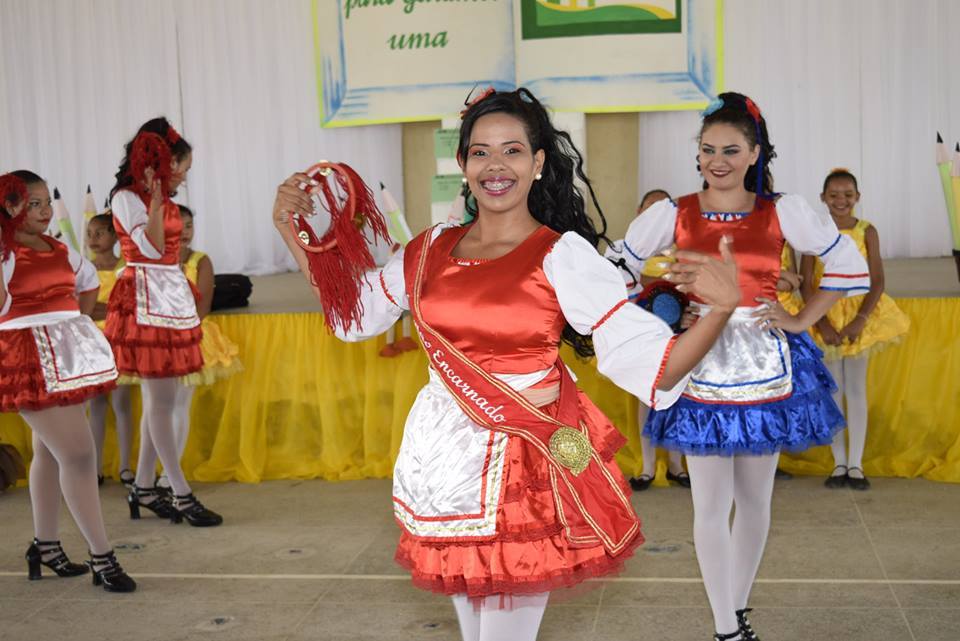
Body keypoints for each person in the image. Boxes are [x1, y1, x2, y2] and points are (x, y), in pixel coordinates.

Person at [272, 87, 742, 641]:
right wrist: (292, 230)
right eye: (481, 152)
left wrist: (720, 310)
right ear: (463, 163)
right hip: (443, 462)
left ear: (538, 163)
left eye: (512, 151)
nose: (495, 165)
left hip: (527, 463)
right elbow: (354, 315)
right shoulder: (427, 249)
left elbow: (652, 365)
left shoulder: (562, 255)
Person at [622, 92, 870, 640]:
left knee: (756, 500)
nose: (718, 161)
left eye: (731, 150)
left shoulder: (781, 211)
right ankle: (726, 629)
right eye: (708, 149)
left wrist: (801, 319)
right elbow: (619, 269)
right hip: (699, 362)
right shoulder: (674, 212)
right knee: (710, 505)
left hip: (766, 361)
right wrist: (658, 314)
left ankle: (735, 610)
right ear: (698, 153)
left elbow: (849, 265)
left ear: (754, 153)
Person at [0, 171, 135, 592]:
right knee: (78, 454)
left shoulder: (59, 248)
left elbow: (88, 283)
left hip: (65, 355)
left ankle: (45, 545)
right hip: (25, 357)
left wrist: (69, 322)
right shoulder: (5, 252)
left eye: (46, 202)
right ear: (9, 206)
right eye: (33, 204)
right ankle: (102, 555)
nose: (44, 211)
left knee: (51, 450)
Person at [106, 117, 221, 526]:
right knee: (160, 402)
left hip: (169, 292)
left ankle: (144, 486)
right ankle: (180, 491)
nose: (184, 177)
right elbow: (152, 248)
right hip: (145, 297)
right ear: (161, 162)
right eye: (181, 168)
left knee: (162, 400)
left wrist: (159, 200)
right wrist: (155, 203)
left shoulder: (162, 199)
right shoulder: (126, 198)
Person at [801, 168, 910, 490]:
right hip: (825, 316)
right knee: (833, 389)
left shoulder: (867, 231)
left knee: (856, 390)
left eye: (848, 195)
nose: (841, 200)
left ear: (857, 197)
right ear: (823, 198)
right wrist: (821, 322)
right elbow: (807, 284)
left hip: (859, 316)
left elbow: (878, 280)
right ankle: (838, 463)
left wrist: (860, 319)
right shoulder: (813, 233)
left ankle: (856, 464)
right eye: (833, 195)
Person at [151, 205, 242, 490]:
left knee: (179, 405)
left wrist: (178, 332)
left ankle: (170, 473)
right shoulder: (152, 261)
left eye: (189, 225)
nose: (184, 232)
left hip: (189, 337)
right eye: (178, 226)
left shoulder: (199, 261)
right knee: (156, 407)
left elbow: (202, 306)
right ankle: (150, 471)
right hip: (156, 339)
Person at [605, 188, 689, 491]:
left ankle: (677, 464)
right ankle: (647, 466)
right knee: (646, 397)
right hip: (642, 336)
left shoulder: (684, 249)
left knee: (679, 397)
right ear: (639, 212)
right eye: (649, 208)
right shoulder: (624, 251)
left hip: (679, 335)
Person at [84, 212, 134, 486]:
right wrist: (97, 310)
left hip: (119, 340)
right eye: (89, 233)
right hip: (92, 342)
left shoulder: (124, 268)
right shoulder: (84, 269)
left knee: (122, 403)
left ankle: (126, 467)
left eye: (100, 233)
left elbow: (129, 305)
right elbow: (83, 308)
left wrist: (107, 309)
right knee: (96, 404)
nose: (93, 239)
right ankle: (95, 467)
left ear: (115, 236)